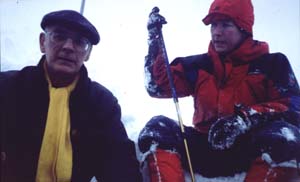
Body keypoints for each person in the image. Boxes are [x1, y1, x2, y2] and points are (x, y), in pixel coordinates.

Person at [138, 0, 300, 181]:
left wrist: (244, 119)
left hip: (251, 149)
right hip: (204, 147)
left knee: (285, 136)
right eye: (214, 25)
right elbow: (157, 86)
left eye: (225, 25)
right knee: (158, 128)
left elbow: (294, 108)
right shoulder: (200, 65)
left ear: (244, 28)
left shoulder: (272, 64)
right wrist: (155, 41)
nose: (217, 32)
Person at [0, 10, 142, 182]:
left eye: (80, 42)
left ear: (88, 53)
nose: (68, 47)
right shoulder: (7, 87)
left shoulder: (102, 104)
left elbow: (120, 165)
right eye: (59, 36)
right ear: (43, 42)